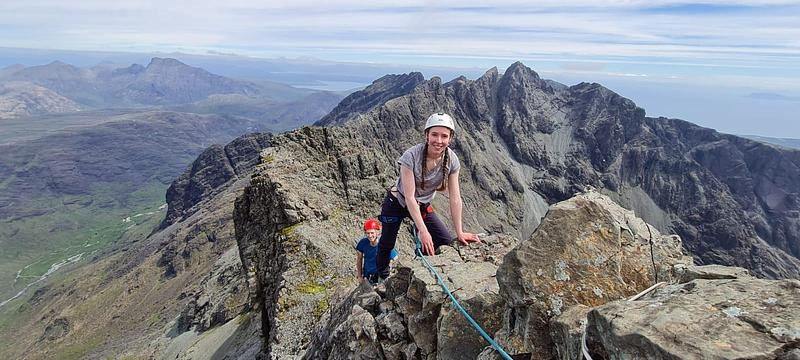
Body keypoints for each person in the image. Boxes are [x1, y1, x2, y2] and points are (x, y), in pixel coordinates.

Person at [376, 112, 481, 279]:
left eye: (444, 136)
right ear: (426, 135)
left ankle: (420, 270)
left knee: (444, 240)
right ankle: (380, 275)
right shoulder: (410, 156)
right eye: (434, 135)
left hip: (422, 205)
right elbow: (410, 198)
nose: (439, 141)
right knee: (387, 243)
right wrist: (423, 232)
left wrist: (460, 232)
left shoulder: (452, 160)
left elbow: (455, 197)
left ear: (450, 138)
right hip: (397, 202)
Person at [355, 218, 397, 285]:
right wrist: (359, 276)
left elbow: (395, 258)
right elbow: (359, 259)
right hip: (367, 277)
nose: (370, 236)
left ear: (377, 232)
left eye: (372, 233)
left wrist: (389, 270)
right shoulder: (363, 243)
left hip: (381, 277)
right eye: (368, 233)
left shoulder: (383, 244)